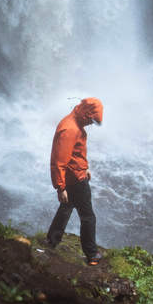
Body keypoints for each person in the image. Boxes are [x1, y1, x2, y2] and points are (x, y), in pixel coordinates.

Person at [47, 97, 104, 265]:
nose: (91, 124)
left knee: (66, 208)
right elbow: (59, 160)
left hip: (74, 175)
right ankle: (92, 254)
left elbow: (75, 153)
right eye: (91, 120)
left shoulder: (73, 122)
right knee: (88, 217)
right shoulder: (70, 129)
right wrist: (60, 187)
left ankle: (51, 241)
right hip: (75, 180)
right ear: (86, 114)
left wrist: (84, 167)